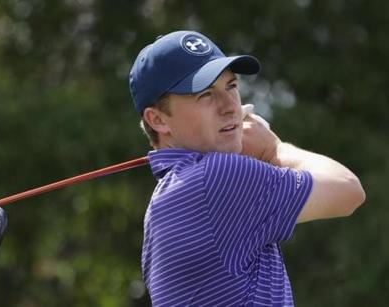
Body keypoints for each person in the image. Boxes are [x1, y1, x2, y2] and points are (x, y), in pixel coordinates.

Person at [128, 30, 365, 306]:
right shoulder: (216, 177)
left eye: (231, 86)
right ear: (157, 119)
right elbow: (348, 190)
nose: (230, 106)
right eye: (205, 94)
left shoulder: (168, 198)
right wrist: (274, 150)